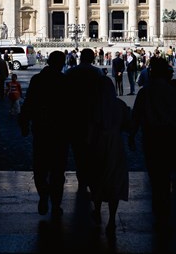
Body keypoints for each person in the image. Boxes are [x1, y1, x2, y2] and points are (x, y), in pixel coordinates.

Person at [128, 57, 176, 229]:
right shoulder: (174, 91)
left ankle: (158, 205)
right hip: (170, 136)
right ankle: (165, 205)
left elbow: (136, 115)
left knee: (155, 173)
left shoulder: (146, 91)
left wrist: (131, 136)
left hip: (152, 136)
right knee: (166, 173)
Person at [18, 50, 69, 218]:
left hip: (41, 130)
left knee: (40, 167)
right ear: (61, 63)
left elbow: (29, 102)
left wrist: (24, 123)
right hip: (60, 132)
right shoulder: (64, 81)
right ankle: (55, 203)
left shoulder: (37, 80)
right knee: (58, 170)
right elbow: (72, 109)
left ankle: (43, 195)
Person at [64, 48, 114, 191]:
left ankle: (82, 179)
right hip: (93, 116)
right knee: (92, 150)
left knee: (78, 150)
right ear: (93, 58)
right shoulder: (97, 73)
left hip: (74, 116)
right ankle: (90, 178)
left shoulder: (70, 72)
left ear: (80, 58)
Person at [88, 78, 131, 236]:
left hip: (97, 143)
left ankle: (97, 209)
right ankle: (112, 218)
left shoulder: (93, 106)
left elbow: (89, 128)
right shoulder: (119, 105)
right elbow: (128, 124)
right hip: (115, 145)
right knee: (114, 179)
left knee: (97, 178)